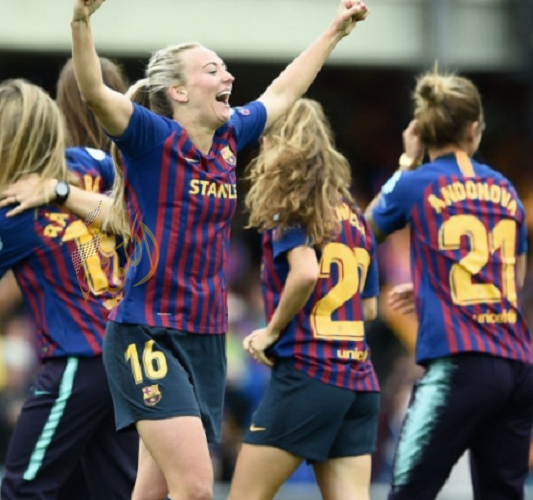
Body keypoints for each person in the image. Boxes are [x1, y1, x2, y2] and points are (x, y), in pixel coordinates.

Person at [69, 1, 369, 498]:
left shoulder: (230, 135)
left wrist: (335, 31)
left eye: (224, 68)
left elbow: (283, 90)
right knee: (196, 488)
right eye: (212, 70)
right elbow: (94, 93)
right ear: (179, 91)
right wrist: (80, 23)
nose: (227, 76)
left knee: (151, 491)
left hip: (207, 337)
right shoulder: (150, 136)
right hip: (148, 332)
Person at [0, 78, 134, 500]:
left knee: (24, 489)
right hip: (123, 356)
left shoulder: (8, 216)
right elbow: (131, 215)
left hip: (78, 361)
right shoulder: (91, 164)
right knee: (115, 490)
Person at [367, 70, 533, 500]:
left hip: (460, 369)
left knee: (408, 493)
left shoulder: (415, 182)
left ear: (422, 131)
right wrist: (438, 290)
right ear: (474, 128)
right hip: (518, 369)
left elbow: (359, 235)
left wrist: (406, 163)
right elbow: (511, 283)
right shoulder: (506, 189)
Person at [227, 99, 380, 500]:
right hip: (359, 380)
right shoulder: (355, 215)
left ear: (278, 144)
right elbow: (368, 308)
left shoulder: (291, 205)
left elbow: (306, 272)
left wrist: (272, 330)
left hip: (309, 374)